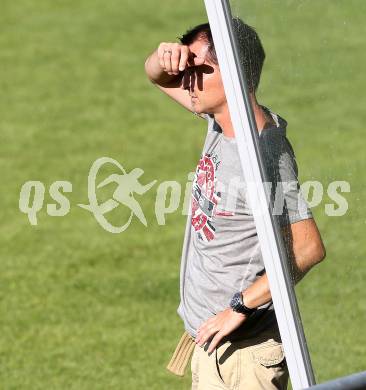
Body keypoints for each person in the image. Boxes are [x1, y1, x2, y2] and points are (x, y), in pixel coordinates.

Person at [144, 18, 326, 390]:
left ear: (237, 75)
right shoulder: (221, 121)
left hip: (247, 357)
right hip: (211, 344)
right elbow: (156, 76)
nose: (188, 79)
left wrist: (240, 306)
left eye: (200, 69)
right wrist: (165, 59)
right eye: (187, 68)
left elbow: (308, 248)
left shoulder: (265, 152)